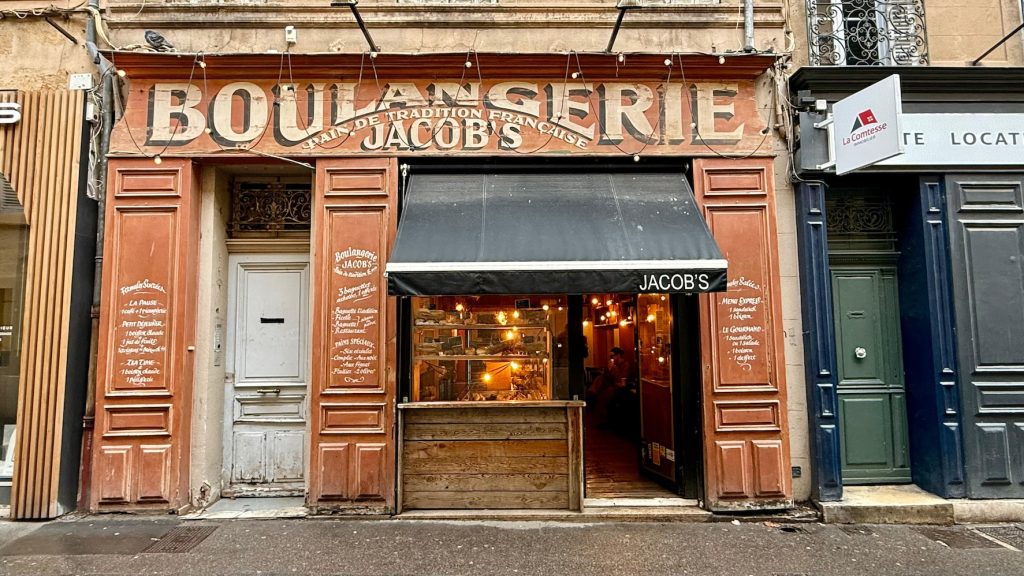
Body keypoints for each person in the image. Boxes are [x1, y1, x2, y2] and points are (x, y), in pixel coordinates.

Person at [590, 347, 633, 429]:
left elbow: (620, 378)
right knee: (600, 378)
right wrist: (607, 370)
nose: (611, 358)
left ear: (619, 355)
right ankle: (593, 392)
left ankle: (604, 419)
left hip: (620, 387)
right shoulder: (614, 365)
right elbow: (609, 377)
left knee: (605, 395)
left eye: (613, 356)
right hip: (611, 385)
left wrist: (613, 368)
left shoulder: (625, 365)